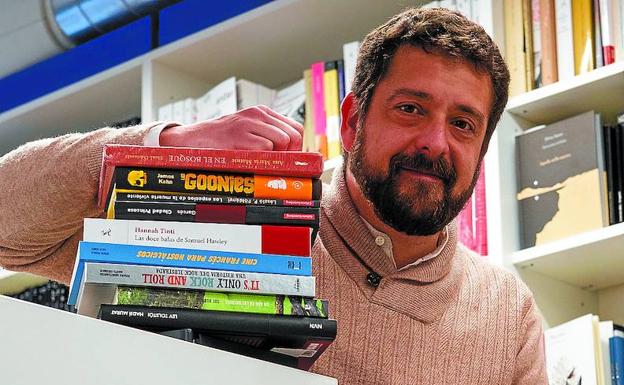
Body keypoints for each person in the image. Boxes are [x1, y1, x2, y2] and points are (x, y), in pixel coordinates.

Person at [0, 7, 547, 385]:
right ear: (353, 122)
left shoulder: (508, 313)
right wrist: (165, 147)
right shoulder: (230, 215)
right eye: (411, 109)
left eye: (463, 124)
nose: (434, 142)